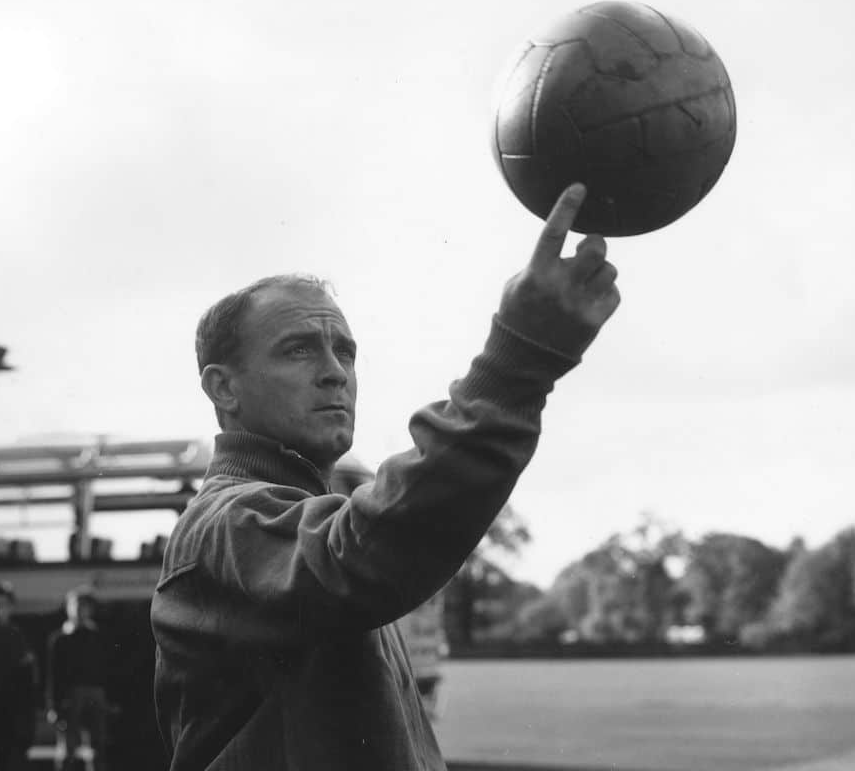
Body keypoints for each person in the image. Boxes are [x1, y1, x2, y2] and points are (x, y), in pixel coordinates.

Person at [151, 183, 620, 770]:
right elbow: (367, 547)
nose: (335, 373)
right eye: (298, 350)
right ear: (223, 388)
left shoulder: (308, 516)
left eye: (345, 352)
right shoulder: (224, 525)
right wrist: (517, 358)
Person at [47, 587, 112, 771]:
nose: (80, 610)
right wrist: (53, 705)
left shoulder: (97, 636)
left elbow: (105, 668)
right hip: (71, 697)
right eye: (76, 605)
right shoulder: (60, 639)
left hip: (95, 695)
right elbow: (54, 675)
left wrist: (107, 697)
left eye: (85, 606)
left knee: (97, 747)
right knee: (68, 748)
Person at [0, 581, 39, 771]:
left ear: (10, 606)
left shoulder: (17, 635)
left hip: (17, 709)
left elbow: (27, 674)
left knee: (17, 755)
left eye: (2, 603)